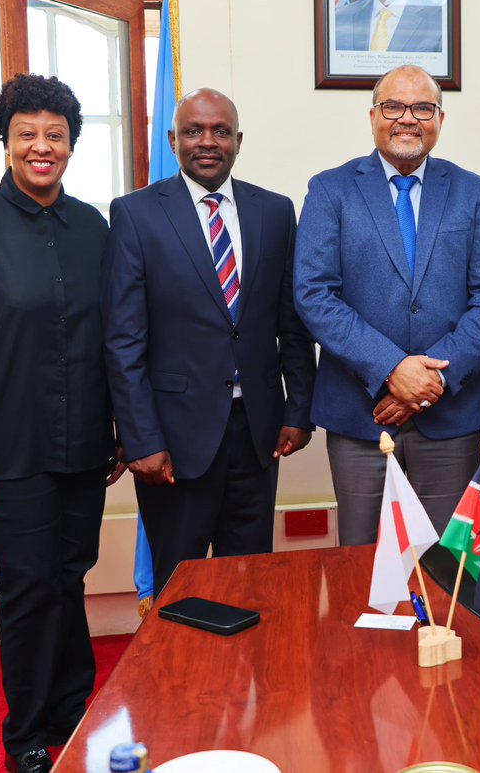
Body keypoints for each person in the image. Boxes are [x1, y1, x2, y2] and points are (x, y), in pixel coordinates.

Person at [0, 74, 122, 773]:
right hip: (10, 452)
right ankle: (27, 735)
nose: (42, 146)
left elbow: (115, 339)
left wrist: (121, 432)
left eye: (56, 135)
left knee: (70, 577)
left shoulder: (94, 227)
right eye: (28, 134)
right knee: (30, 584)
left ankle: (74, 711)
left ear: (71, 145)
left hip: (87, 447)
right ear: (6, 141)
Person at [102, 88, 316, 594]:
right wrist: (141, 440)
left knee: (251, 583)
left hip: (258, 435)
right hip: (173, 442)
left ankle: (246, 677)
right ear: (173, 139)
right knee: (181, 588)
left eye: (221, 131)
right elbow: (123, 340)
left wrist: (297, 409)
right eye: (194, 131)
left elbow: (293, 322)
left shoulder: (275, 212)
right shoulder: (136, 214)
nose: (207, 142)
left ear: (238, 141)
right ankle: (180, 676)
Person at [295, 64, 480, 545]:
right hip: (360, 417)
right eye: (393, 106)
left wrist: (430, 379)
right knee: (365, 568)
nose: (407, 118)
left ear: (440, 118)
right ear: (372, 115)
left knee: (451, 565)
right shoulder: (330, 190)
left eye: (422, 107)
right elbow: (313, 293)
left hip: (450, 415)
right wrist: (392, 368)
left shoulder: (473, 193)